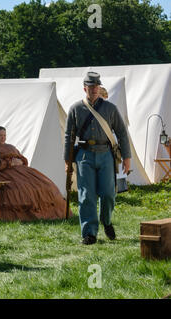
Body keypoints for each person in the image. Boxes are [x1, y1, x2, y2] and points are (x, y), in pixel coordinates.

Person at [64, 72, 131, 245]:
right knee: (86, 195)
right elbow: (69, 136)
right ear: (85, 88)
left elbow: (122, 133)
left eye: (97, 87)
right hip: (84, 155)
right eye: (91, 87)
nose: (94, 90)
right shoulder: (75, 109)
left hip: (105, 154)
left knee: (108, 194)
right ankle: (89, 233)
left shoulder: (110, 109)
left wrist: (127, 157)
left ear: (100, 88)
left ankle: (106, 221)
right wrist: (67, 160)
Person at [0, 126, 68, 221]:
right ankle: (27, 211)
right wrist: (8, 163)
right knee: (22, 188)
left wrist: (20, 161)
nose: (3, 138)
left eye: (4, 135)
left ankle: (46, 210)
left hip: (22, 171)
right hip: (3, 173)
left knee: (44, 184)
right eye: (0, 135)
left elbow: (22, 159)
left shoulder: (10, 147)